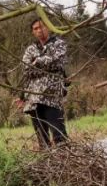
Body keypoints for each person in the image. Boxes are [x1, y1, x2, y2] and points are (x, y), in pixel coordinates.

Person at [17, 18, 69, 148]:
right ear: (33, 32)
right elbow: (26, 69)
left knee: (59, 136)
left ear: (48, 27)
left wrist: (37, 62)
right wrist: (22, 96)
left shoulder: (59, 44)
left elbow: (57, 62)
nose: (39, 30)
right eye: (36, 28)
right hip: (34, 98)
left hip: (52, 97)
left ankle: (66, 163)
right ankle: (47, 166)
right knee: (42, 139)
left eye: (42, 26)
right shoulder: (30, 49)